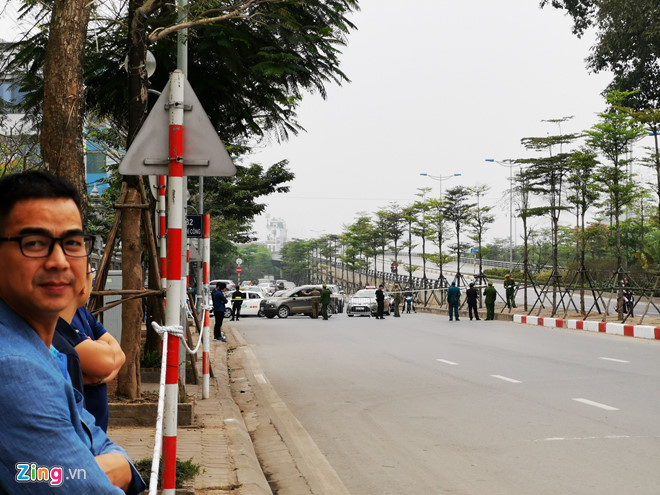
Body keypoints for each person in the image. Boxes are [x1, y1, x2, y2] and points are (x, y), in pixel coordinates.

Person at [0, 170, 144, 493]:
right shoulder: (13, 367)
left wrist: (100, 468)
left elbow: (88, 441)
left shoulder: (46, 348)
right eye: (34, 243)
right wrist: (98, 470)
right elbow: (79, 484)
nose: (59, 261)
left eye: (72, 243)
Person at [58, 264, 125, 432]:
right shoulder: (61, 318)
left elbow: (120, 355)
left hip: (94, 429)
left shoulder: (82, 312)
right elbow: (102, 362)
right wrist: (103, 353)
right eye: (91, 274)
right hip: (77, 429)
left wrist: (100, 377)